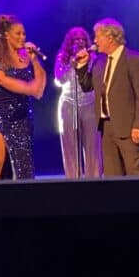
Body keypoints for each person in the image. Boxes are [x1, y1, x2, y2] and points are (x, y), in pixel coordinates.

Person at [75, 18, 139, 177]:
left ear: (110, 38)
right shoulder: (100, 61)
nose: (94, 41)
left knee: (134, 171)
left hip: (128, 126)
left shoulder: (134, 59)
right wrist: (82, 66)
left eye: (97, 36)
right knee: (112, 174)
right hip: (106, 126)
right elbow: (87, 86)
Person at [0, 15, 46, 180]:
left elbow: (39, 89)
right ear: (6, 35)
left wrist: (35, 60)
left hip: (21, 116)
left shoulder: (27, 59)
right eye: (18, 33)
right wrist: (29, 88)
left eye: (24, 33)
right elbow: (3, 80)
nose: (22, 37)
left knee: (24, 166)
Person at [54, 27, 102, 179]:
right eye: (76, 39)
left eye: (82, 39)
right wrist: (71, 63)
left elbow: (95, 80)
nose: (80, 42)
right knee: (70, 145)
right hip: (68, 103)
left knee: (93, 146)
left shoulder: (93, 57)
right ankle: (73, 181)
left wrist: (86, 62)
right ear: (70, 42)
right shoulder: (62, 57)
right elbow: (59, 80)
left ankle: (94, 180)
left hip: (90, 102)